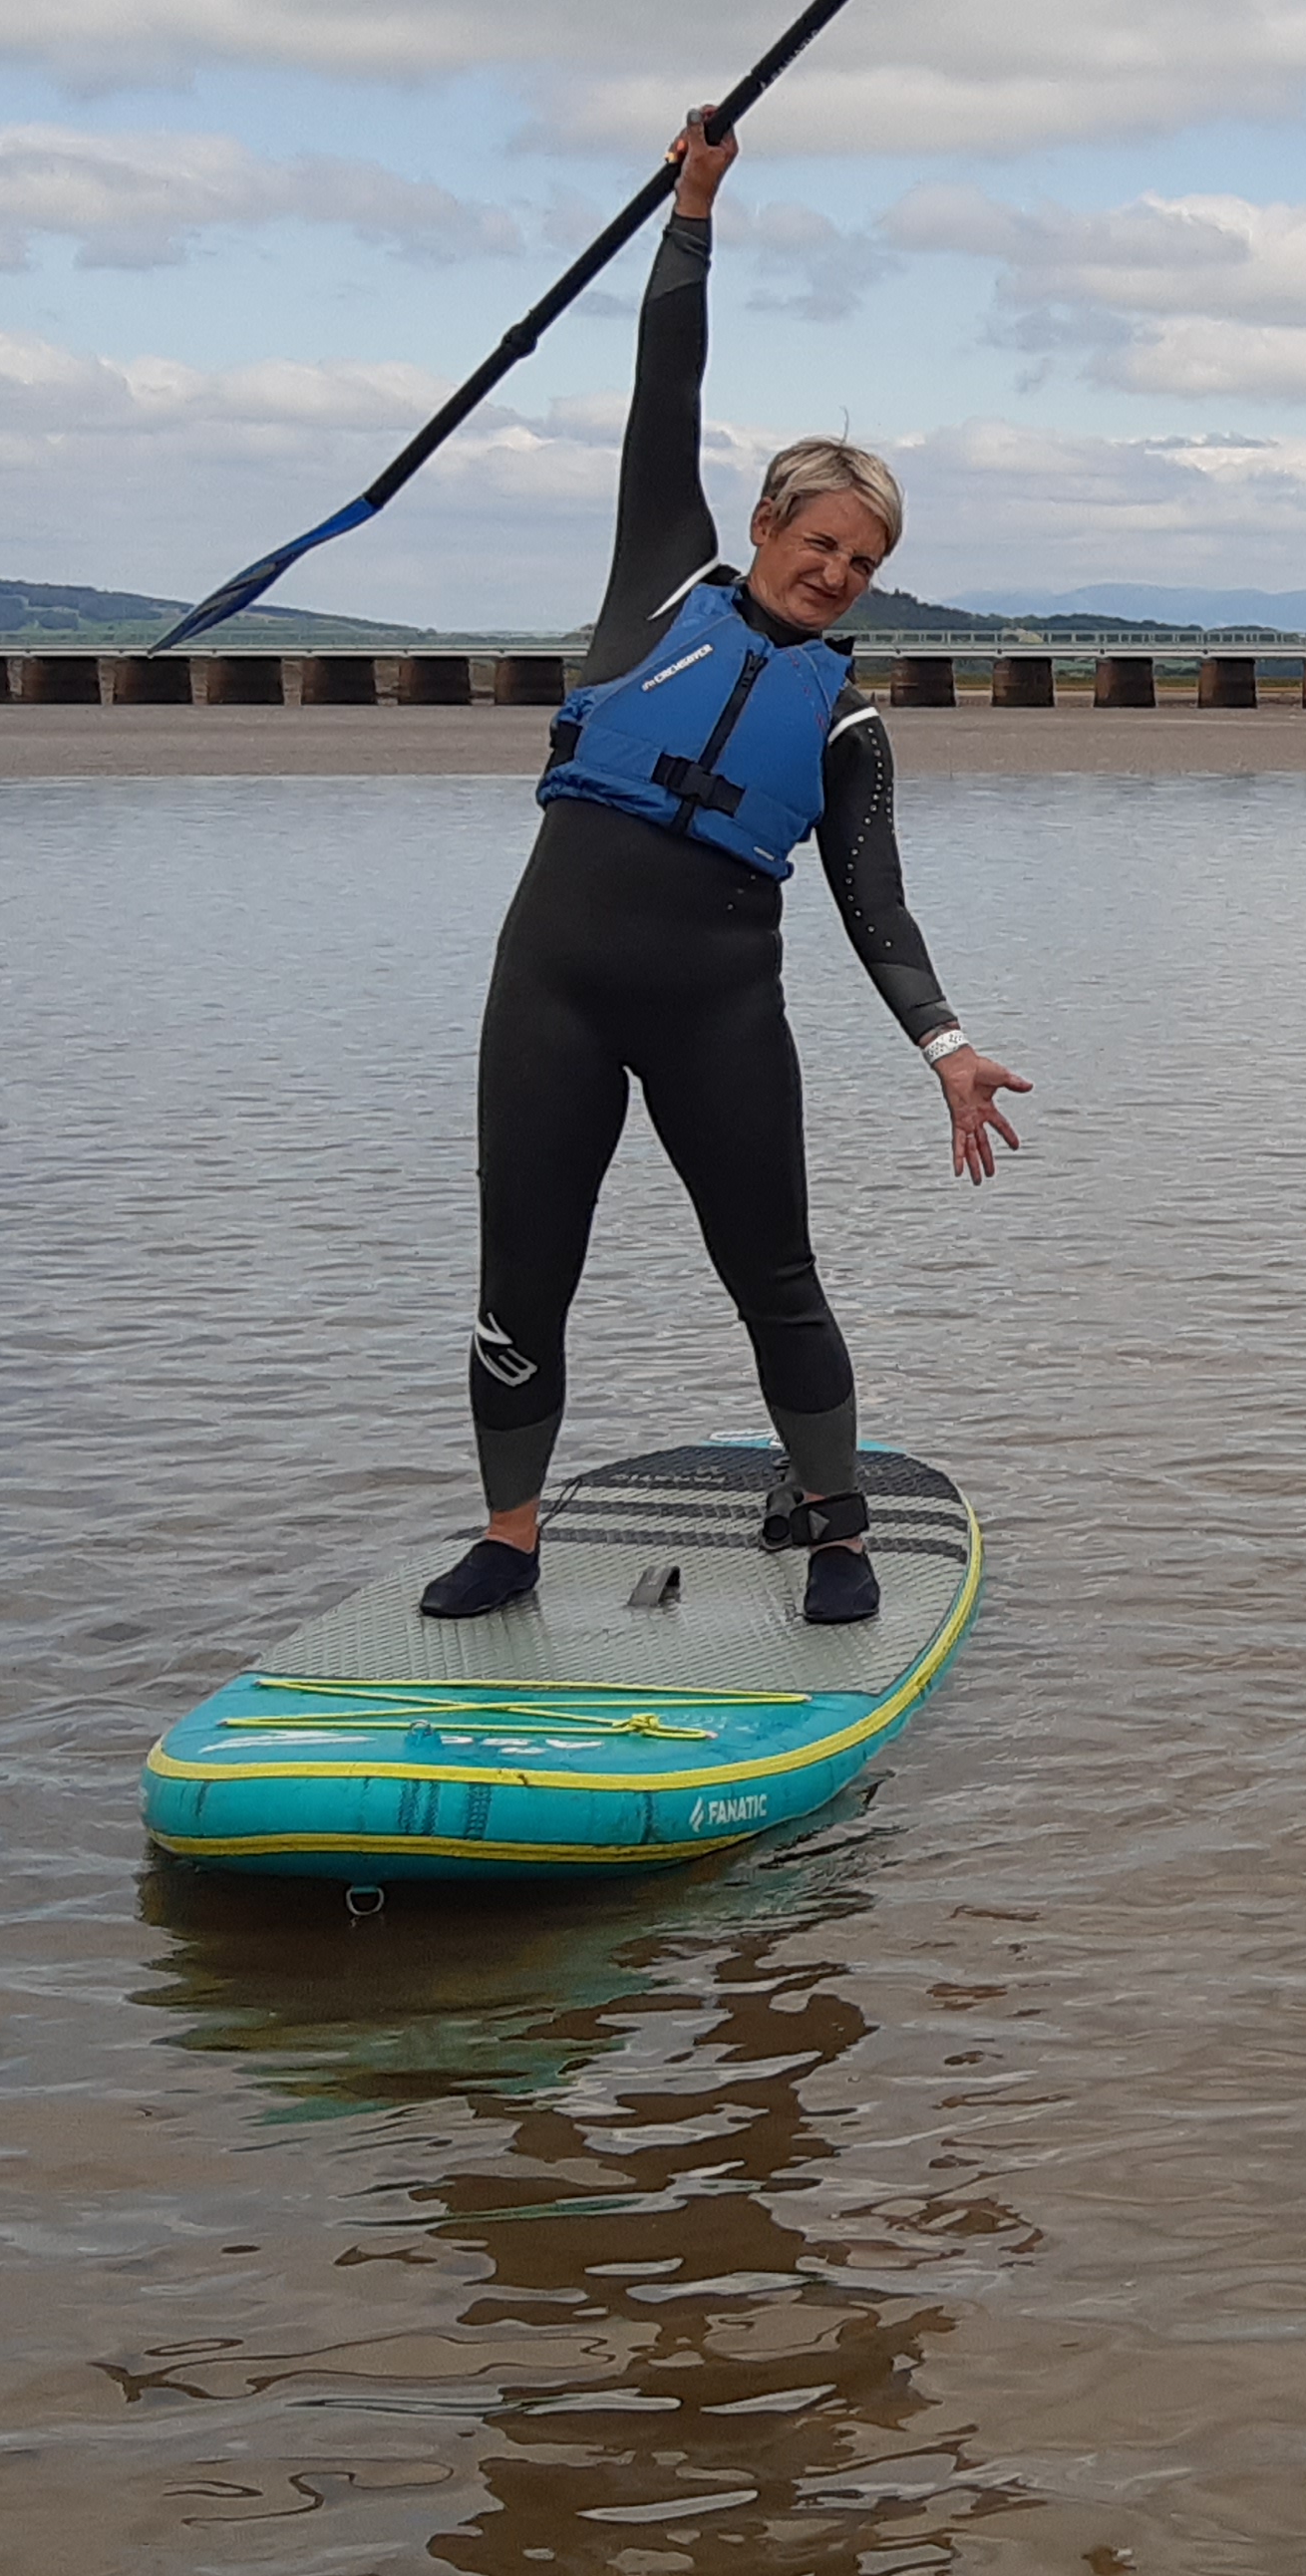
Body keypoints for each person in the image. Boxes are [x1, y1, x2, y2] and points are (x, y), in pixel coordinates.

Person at [424, 110, 1029, 1628]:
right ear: (765, 525)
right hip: (552, 994)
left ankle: (836, 1528)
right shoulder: (653, 587)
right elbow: (663, 391)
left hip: (719, 1016)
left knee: (778, 1276)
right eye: (821, 541)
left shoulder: (850, 725)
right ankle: (510, 1537)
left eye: (864, 564)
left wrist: (946, 1049)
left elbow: (873, 906)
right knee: (522, 1282)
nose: (836, 574)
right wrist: (691, 213)